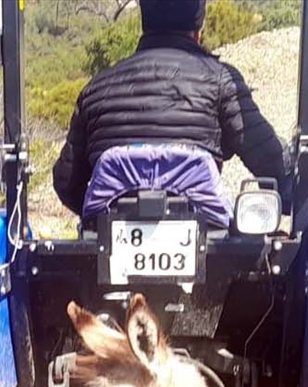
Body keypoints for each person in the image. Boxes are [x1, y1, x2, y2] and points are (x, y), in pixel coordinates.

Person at [51, 0, 288, 224]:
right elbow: (270, 160)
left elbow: (66, 182)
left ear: (145, 24)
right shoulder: (221, 81)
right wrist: (290, 191)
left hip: (108, 242)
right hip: (207, 246)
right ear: (199, 28)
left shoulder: (96, 88)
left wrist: (97, 219)